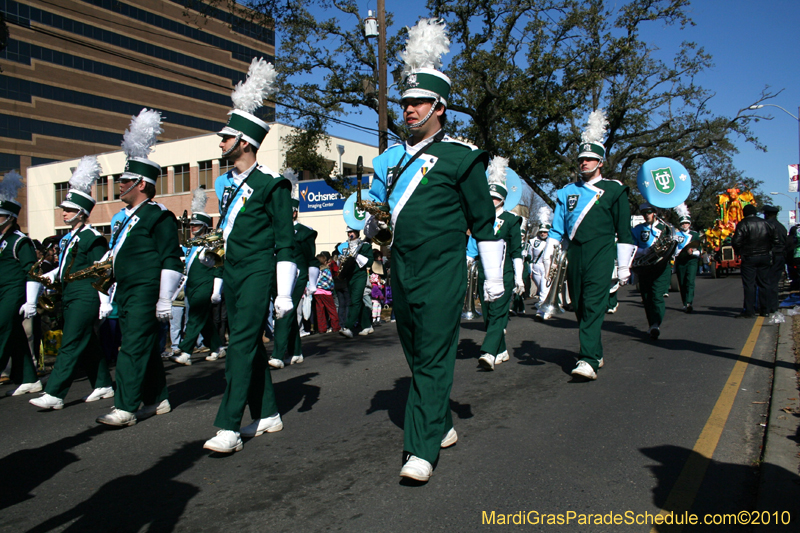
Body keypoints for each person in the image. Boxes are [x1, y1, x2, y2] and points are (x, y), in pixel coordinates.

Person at [364, 18, 504, 482]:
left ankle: (420, 450)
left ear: (438, 107)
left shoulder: (463, 156)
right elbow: (381, 215)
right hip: (400, 270)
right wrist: (369, 247)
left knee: (433, 354)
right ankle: (439, 419)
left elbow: (485, 223)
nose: (408, 108)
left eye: (418, 102)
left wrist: (495, 280)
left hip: (443, 270)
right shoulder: (390, 160)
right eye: (404, 102)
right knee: (415, 351)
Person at [203, 58, 297, 454]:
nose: (220, 143)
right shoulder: (228, 187)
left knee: (240, 344)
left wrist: (285, 293)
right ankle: (269, 412)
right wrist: (216, 265)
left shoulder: (271, 184)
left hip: (260, 271)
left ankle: (228, 425)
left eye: (225, 138)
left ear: (244, 141)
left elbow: (285, 242)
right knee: (247, 345)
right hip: (235, 272)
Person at [96, 108, 183, 427]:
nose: (120, 185)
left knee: (131, 348)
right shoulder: (129, 219)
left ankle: (125, 407)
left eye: (126, 181)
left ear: (142, 184)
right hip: (127, 292)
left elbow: (172, 258)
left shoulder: (157, 216)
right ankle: (157, 399)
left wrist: (164, 298)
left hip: (146, 293)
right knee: (142, 347)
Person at [544, 109, 636, 380]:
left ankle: (587, 360)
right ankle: (594, 351)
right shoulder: (566, 192)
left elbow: (624, 230)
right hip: (576, 253)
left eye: (590, 159)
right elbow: (558, 226)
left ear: (600, 162)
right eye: (581, 159)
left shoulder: (614, 190)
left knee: (595, 303)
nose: (584, 163)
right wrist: (550, 249)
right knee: (580, 305)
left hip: (602, 251)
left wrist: (623, 265)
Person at [29, 156, 115, 410]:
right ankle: (103, 384)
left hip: (86, 295)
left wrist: (104, 301)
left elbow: (102, 270)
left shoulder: (93, 238)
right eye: (63, 209)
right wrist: (51, 276)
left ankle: (54, 393)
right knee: (86, 341)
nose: (63, 212)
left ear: (81, 212)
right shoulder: (67, 239)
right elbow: (67, 266)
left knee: (70, 343)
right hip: (69, 294)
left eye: (68, 209)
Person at [466, 157, 523, 371]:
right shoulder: (480, 221)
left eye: (495, 198)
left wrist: (518, 277)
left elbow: (517, 251)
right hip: (483, 273)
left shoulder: (511, 220)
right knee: (489, 314)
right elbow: (472, 248)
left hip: (504, 271)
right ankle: (501, 350)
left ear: (502, 200)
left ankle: (489, 352)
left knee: (499, 312)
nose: (490, 201)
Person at [269, 172, 319, 368]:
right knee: (283, 312)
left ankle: (278, 355)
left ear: (295, 212)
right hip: (278, 275)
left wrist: (312, 283)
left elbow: (311, 259)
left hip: (298, 277)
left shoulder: (305, 232)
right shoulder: (275, 229)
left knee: (284, 313)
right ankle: (296, 351)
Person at [171, 189, 225, 366]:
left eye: (196, 225)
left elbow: (218, 266)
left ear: (204, 226)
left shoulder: (213, 243)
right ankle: (217, 347)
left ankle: (185, 351)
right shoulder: (190, 245)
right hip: (191, 285)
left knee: (194, 317)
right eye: (191, 225)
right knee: (203, 320)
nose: (192, 228)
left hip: (205, 285)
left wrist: (217, 290)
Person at [0, 170, 42, 396]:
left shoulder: (20, 241)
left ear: (9, 217)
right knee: (16, 336)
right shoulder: (2, 242)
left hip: (13, 291)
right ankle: (29, 378)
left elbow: (32, 271)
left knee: (1, 330)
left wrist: (31, 300)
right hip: (1, 291)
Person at [631, 203, 673, 339]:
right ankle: (652, 324)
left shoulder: (666, 228)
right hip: (644, 266)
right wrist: (644, 251)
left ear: (654, 212)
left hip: (660, 266)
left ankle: (656, 324)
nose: (646, 215)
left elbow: (674, 246)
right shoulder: (637, 229)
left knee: (656, 295)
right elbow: (631, 247)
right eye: (644, 213)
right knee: (647, 297)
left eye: (648, 212)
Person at [731, 203, 778, 318]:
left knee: (749, 285)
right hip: (764, 256)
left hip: (749, 257)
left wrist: (740, 252)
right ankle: (765, 310)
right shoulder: (766, 223)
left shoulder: (743, 224)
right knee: (764, 283)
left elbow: (736, 241)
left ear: (744, 213)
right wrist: (768, 249)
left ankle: (749, 310)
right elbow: (775, 239)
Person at [337, 227, 373, 338]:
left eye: (352, 232)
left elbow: (369, 262)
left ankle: (348, 327)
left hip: (360, 276)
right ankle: (367, 325)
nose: (350, 234)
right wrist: (341, 259)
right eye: (348, 232)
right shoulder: (344, 246)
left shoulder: (365, 246)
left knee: (355, 301)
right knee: (357, 301)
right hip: (349, 276)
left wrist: (356, 254)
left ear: (357, 232)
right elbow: (340, 263)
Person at [673, 208, 702, 313]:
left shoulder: (694, 234)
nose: (684, 225)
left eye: (686, 223)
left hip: (691, 261)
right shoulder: (676, 234)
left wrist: (693, 252)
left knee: (690, 281)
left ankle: (689, 302)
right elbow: (674, 248)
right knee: (682, 282)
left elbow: (699, 250)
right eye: (683, 223)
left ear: (689, 224)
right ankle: (685, 302)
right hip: (681, 261)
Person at [763, 205, 787, 315]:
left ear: (767, 214)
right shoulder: (782, 227)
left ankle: (767, 307)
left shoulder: (766, 226)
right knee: (775, 282)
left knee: (767, 282)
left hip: (770, 256)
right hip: (780, 256)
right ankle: (774, 306)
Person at [314, 253, 339, 333]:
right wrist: (332, 288)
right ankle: (335, 327)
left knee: (320, 311)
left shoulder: (315, 270)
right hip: (326, 292)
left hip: (317, 292)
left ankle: (322, 328)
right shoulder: (326, 270)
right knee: (332, 310)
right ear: (325, 262)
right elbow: (330, 281)